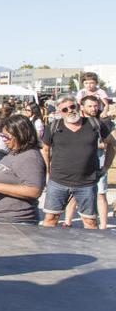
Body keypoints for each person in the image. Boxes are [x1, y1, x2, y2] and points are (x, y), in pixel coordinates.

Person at [41, 95, 115, 229]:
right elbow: (45, 150)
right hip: (58, 181)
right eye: (64, 109)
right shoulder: (53, 127)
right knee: (51, 219)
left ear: (78, 106)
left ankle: (93, 250)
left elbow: (112, 143)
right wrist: (47, 172)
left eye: (72, 106)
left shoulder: (94, 124)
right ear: (59, 112)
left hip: (86, 183)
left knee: (90, 222)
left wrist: (105, 168)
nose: (69, 110)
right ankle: (48, 249)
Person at [0, 115, 46, 224]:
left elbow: (34, 190)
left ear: (21, 135)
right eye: (2, 136)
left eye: (7, 137)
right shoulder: (15, 152)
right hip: (0, 219)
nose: (4, 140)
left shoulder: (30, 157)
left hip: (16, 222)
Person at [62, 95, 114, 228]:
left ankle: (103, 225)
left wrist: (105, 166)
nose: (94, 108)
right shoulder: (77, 122)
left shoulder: (104, 122)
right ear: (82, 107)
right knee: (73, 194)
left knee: (101, 193)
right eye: (90, 106)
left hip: (99, 161)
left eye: (96, 105)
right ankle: (67, 221)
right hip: (79, 164)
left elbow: (111, 143)